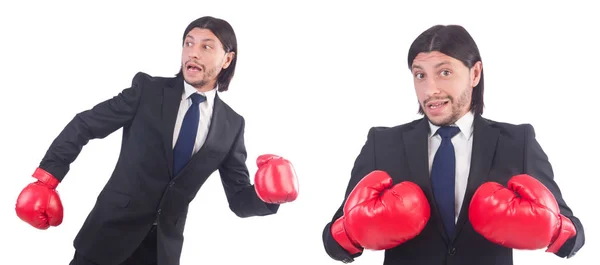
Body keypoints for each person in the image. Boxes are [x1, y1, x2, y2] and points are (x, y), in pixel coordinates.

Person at [15, 16, 299, 265]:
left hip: (162, 250)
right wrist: (46, 178)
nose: (193, 53)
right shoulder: (148, 91)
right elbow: (84, 125)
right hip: (106, 238)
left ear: (227, 59)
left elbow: (239, 199)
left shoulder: (233, 125)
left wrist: (265, 197)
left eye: (206, 46)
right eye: (188, 43)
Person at [321, 24, 584, 265]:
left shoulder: (517, 142)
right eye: (420, 75)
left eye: (444, 72)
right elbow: (334, 242)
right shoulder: (383, 143)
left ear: (475, 73)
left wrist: (553, 229)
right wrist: (352, 232)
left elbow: (574, 236)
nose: (430, 89)